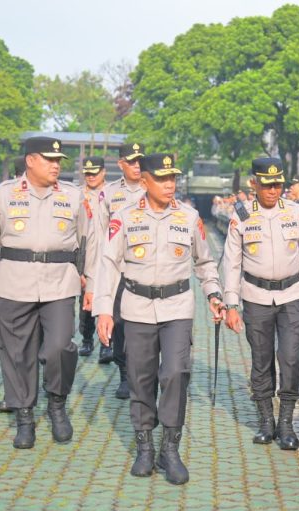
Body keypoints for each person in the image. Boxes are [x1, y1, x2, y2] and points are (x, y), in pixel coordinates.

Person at [93, 153, 224, 485]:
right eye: (162, 178)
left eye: (173, 178)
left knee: (177, 373)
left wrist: (213, 293)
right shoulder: (124, 217)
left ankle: (170, 449)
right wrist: (104, 310)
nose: (170, 184)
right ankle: (145, 448)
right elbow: (108, 264)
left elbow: (205, 263)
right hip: (136, 308)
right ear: (146, 180)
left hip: (177, 307)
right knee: (141, 378)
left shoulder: (190, 217)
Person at [0, 136, 95, 449]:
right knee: (17, 352)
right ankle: (24, 417)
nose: (56, 165)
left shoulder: (73, 196)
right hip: (15, 282)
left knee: (60, 347)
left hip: (59, 283)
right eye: (49, 159)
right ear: (30, 160)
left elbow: (90, 241)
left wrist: (92, 283)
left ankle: (57, 405)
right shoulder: (4, 193)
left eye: (59, 160)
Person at [223, 157, 299, 451]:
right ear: (254, 183)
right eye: (267, 184)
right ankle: (266, 421)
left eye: (278, 184)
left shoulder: (296, 212)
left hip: (292, 294)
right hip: (256, 296)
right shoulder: (241, 215)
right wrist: (230, 304)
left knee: (290, 359)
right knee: (261, 360)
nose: (273, 190)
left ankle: (287, 423)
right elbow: (231, 263)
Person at [94, 142, 145, 399]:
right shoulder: (109, 193)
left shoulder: (154, 188)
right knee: (120, 325)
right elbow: (100, 237)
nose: (137, 165)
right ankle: (125, 374)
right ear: (121, 163)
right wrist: (93, 278)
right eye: (132, 161)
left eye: (140, 161)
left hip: (146, 272)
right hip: (119, 271)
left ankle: (141, 374)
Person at [0, 155, 27, 414]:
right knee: (10, 342)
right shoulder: (4, 196)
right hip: (11, 280)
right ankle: (13, 395)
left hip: (46, 283)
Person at [77, 156, 106, 357]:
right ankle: (87, 339)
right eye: (87, 173)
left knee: (109, 301)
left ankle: (107, 343)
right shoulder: (77, 195)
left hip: (107, 253)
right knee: (85, 301)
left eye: (95, 172)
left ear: (103, 172)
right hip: (86, 254)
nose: (91, 176)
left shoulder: (113, 194)